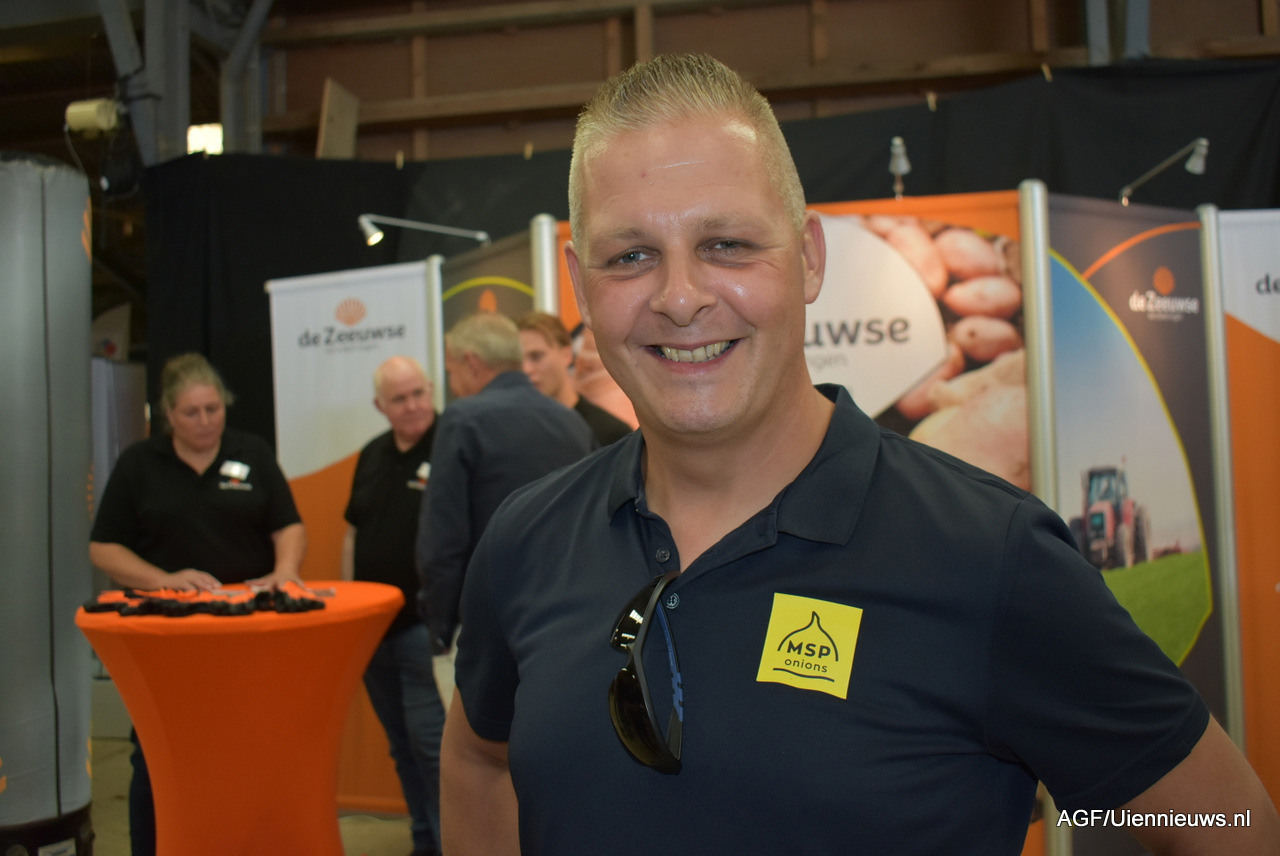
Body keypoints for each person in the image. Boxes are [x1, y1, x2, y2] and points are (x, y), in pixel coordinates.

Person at [439, 54, 1280, 856]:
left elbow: (1222, 821)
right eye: (630, 257)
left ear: (808, 258)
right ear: (581, 288)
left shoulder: (988, 556)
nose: (681, 297)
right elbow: (480, 757)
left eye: (727, 243)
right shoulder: (527, 540)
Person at [89, 352, 306, 856]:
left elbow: (289, 525)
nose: (205, 421)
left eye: (214, 409)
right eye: (192, 412)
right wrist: (164, 581)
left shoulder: (252, 452)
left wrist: (285, 571)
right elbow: (104, 548)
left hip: (244, 633)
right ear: (168, 414)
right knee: (157, 754)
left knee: (248, 748)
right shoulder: (139, 464)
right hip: (168, 638)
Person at [415, 311, 595, 705]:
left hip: (484, 624)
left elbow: (443, 539)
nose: (453, 383)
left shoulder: (463, 419)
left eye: (451, 371)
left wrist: (440, 627)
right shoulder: (572, 424)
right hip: (564, 622)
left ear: (471, 363)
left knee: (474, 741)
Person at [341, 355, 444, 856]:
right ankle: (423, 841)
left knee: (434, 749)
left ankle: (450, 845)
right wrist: (350, 611)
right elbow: (352, 534)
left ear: (431, 390)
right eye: (399, 399)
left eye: (418, 393)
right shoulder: (372, 454)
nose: (412, 406)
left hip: (426, 628)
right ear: (380, 406)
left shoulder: (452, 444)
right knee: (402, 746)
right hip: (374, 630)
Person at [516, 310, 633, 445]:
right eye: (518, 361)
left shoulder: (610, 433)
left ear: (566, 355)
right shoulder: (514, 431)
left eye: (536, 356)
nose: (526, 369)